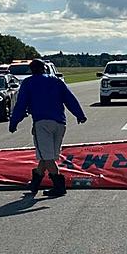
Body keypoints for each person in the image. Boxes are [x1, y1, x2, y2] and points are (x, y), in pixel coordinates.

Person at [9, 58, 87, 197]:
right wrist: (79, 114)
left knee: (48, 157)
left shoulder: (28, 83)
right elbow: (70, 99)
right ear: (45, 68)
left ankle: (59, 186)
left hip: (42, 123)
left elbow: (21, 105)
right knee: (47, 157)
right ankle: (35, 183)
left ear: (31, 70)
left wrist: (14, 122)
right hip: (60, 124)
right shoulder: (56, 81)